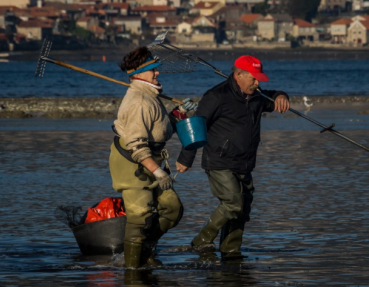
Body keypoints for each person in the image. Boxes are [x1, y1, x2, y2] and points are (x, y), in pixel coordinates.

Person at [175, 55, 290, 260]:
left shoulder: (256, 95)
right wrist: (186, 158)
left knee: (242, 210)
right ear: (238, 75)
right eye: (253, 79)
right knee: (233, 203)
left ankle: (230, 252)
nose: (257, 83)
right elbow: (196, 126)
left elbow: (273, 98)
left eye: (258, 79)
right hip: (219, 161)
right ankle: (201, 241)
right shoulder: (216, 96)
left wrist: (282, 95)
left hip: (245, 163)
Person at [109, 46, 197, 268]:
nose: (157, 73)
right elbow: (137, 146)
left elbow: (158, 128)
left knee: (172, 209)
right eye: (152, 70)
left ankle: (145, 250)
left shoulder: (149, 95)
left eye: (156, 69)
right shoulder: (138, 101)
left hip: (152, 159)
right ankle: (132, 269)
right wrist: (157, 172)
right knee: (140, 218)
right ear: (137, 75)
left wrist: (179, 114)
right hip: (134, 165)